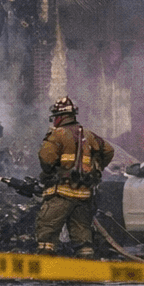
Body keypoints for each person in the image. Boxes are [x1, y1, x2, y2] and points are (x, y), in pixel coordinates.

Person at [35, 96, 114, 257]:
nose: (54, 120)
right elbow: (109, 150)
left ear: (61, 117)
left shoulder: (57, 134)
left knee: (47, 232)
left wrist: (48, 173)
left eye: (55, 117)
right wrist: (96, 169)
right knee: (83, 236)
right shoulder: (89, 135)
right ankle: (85, 271)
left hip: (61, 194)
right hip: (84, 195)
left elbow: (46, 159)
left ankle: (45, 269)